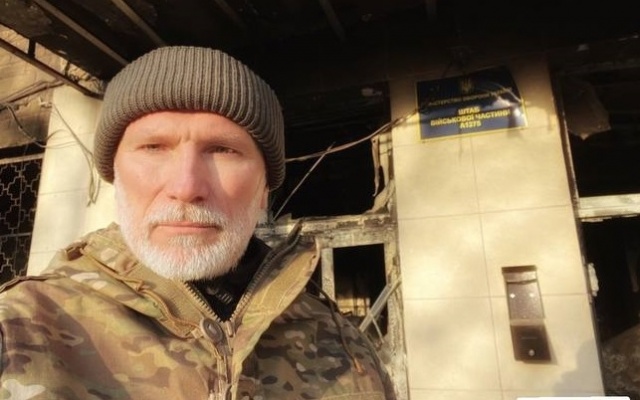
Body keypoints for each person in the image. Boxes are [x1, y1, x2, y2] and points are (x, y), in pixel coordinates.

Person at [0, 46, 396, 399]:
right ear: (115, 175)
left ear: (264, 189)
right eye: (153, 147)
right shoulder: (18, 329)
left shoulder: (347, 349)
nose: (186, 187)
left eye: (222, 150)